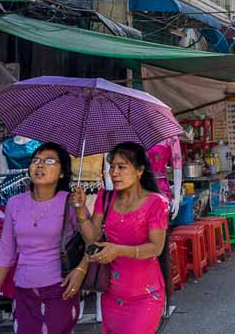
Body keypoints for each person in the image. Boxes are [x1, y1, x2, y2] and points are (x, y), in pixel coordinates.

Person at [74, 142, 170, 334]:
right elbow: (92, 238)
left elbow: (155, 248)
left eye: (121, 167)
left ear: (139, 171)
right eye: (112, 167)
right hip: (111, 294)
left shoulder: (156, 203)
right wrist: (80, 211)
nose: (114, 172)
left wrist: (118, 250)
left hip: (145, 296)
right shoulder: (105, 198)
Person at [0, 142, 87, 334]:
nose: (40, 165)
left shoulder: (71, 201)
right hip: (24, 290)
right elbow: (6, 252)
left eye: (49, 161)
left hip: (60, 288)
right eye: (36, 160)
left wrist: (80, 269)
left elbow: (93, 241)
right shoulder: (14, 203)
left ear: (62, 172)